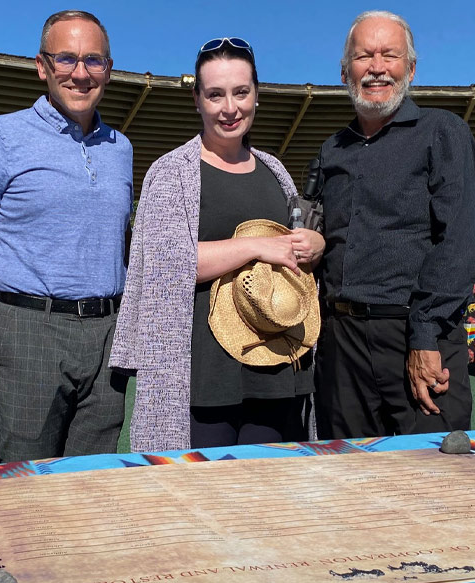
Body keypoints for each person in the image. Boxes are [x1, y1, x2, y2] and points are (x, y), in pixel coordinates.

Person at [111, 38, 324, 452]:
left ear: (256, 95)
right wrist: (256, 246)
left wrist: (313, 243)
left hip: (275, 368)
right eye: (215, 95)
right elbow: (166, 266)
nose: (230, 108)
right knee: (197, 502)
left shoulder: (275, 170)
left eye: (241, 92)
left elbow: (290, 251)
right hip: (201, 375)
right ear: (197, 100)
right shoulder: (172, 171)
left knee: (268, 500)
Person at [0, 10, 132, 462]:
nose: (80, 72)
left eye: (93, 60)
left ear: (108, 70)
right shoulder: (1, 135)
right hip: (30, 328)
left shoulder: (122, 148)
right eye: (66, 58)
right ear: (42, 66)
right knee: (24, 479)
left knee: (94, 478)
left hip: (108, 332)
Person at [313, 10, 475, 438]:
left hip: (416, 332)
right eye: (363, 56)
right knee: (347, 475)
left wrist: (425, 335)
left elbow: (458, 239)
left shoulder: (442, 132)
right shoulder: (331, 150)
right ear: (344, 73)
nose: (376, 67)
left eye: (389, 55)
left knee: (430, 475)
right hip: (342, 342)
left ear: (410, 68)